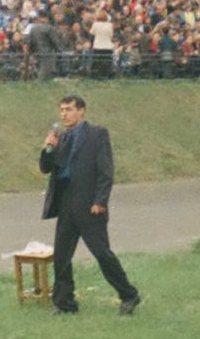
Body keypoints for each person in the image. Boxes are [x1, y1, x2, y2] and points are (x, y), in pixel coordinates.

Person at [37, 94, 141, 316]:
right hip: (66, 203)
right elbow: (46, 168)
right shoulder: (61, 138)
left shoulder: (97, 135)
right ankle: (65, 303)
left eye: (69, 109)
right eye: (62, 110)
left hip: (89, 204)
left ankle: (129, 294)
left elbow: (106, 171)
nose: (64, 114)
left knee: (101, 253)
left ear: (81, 110)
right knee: (62, 256)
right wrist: (47, 148)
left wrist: (100, 201)